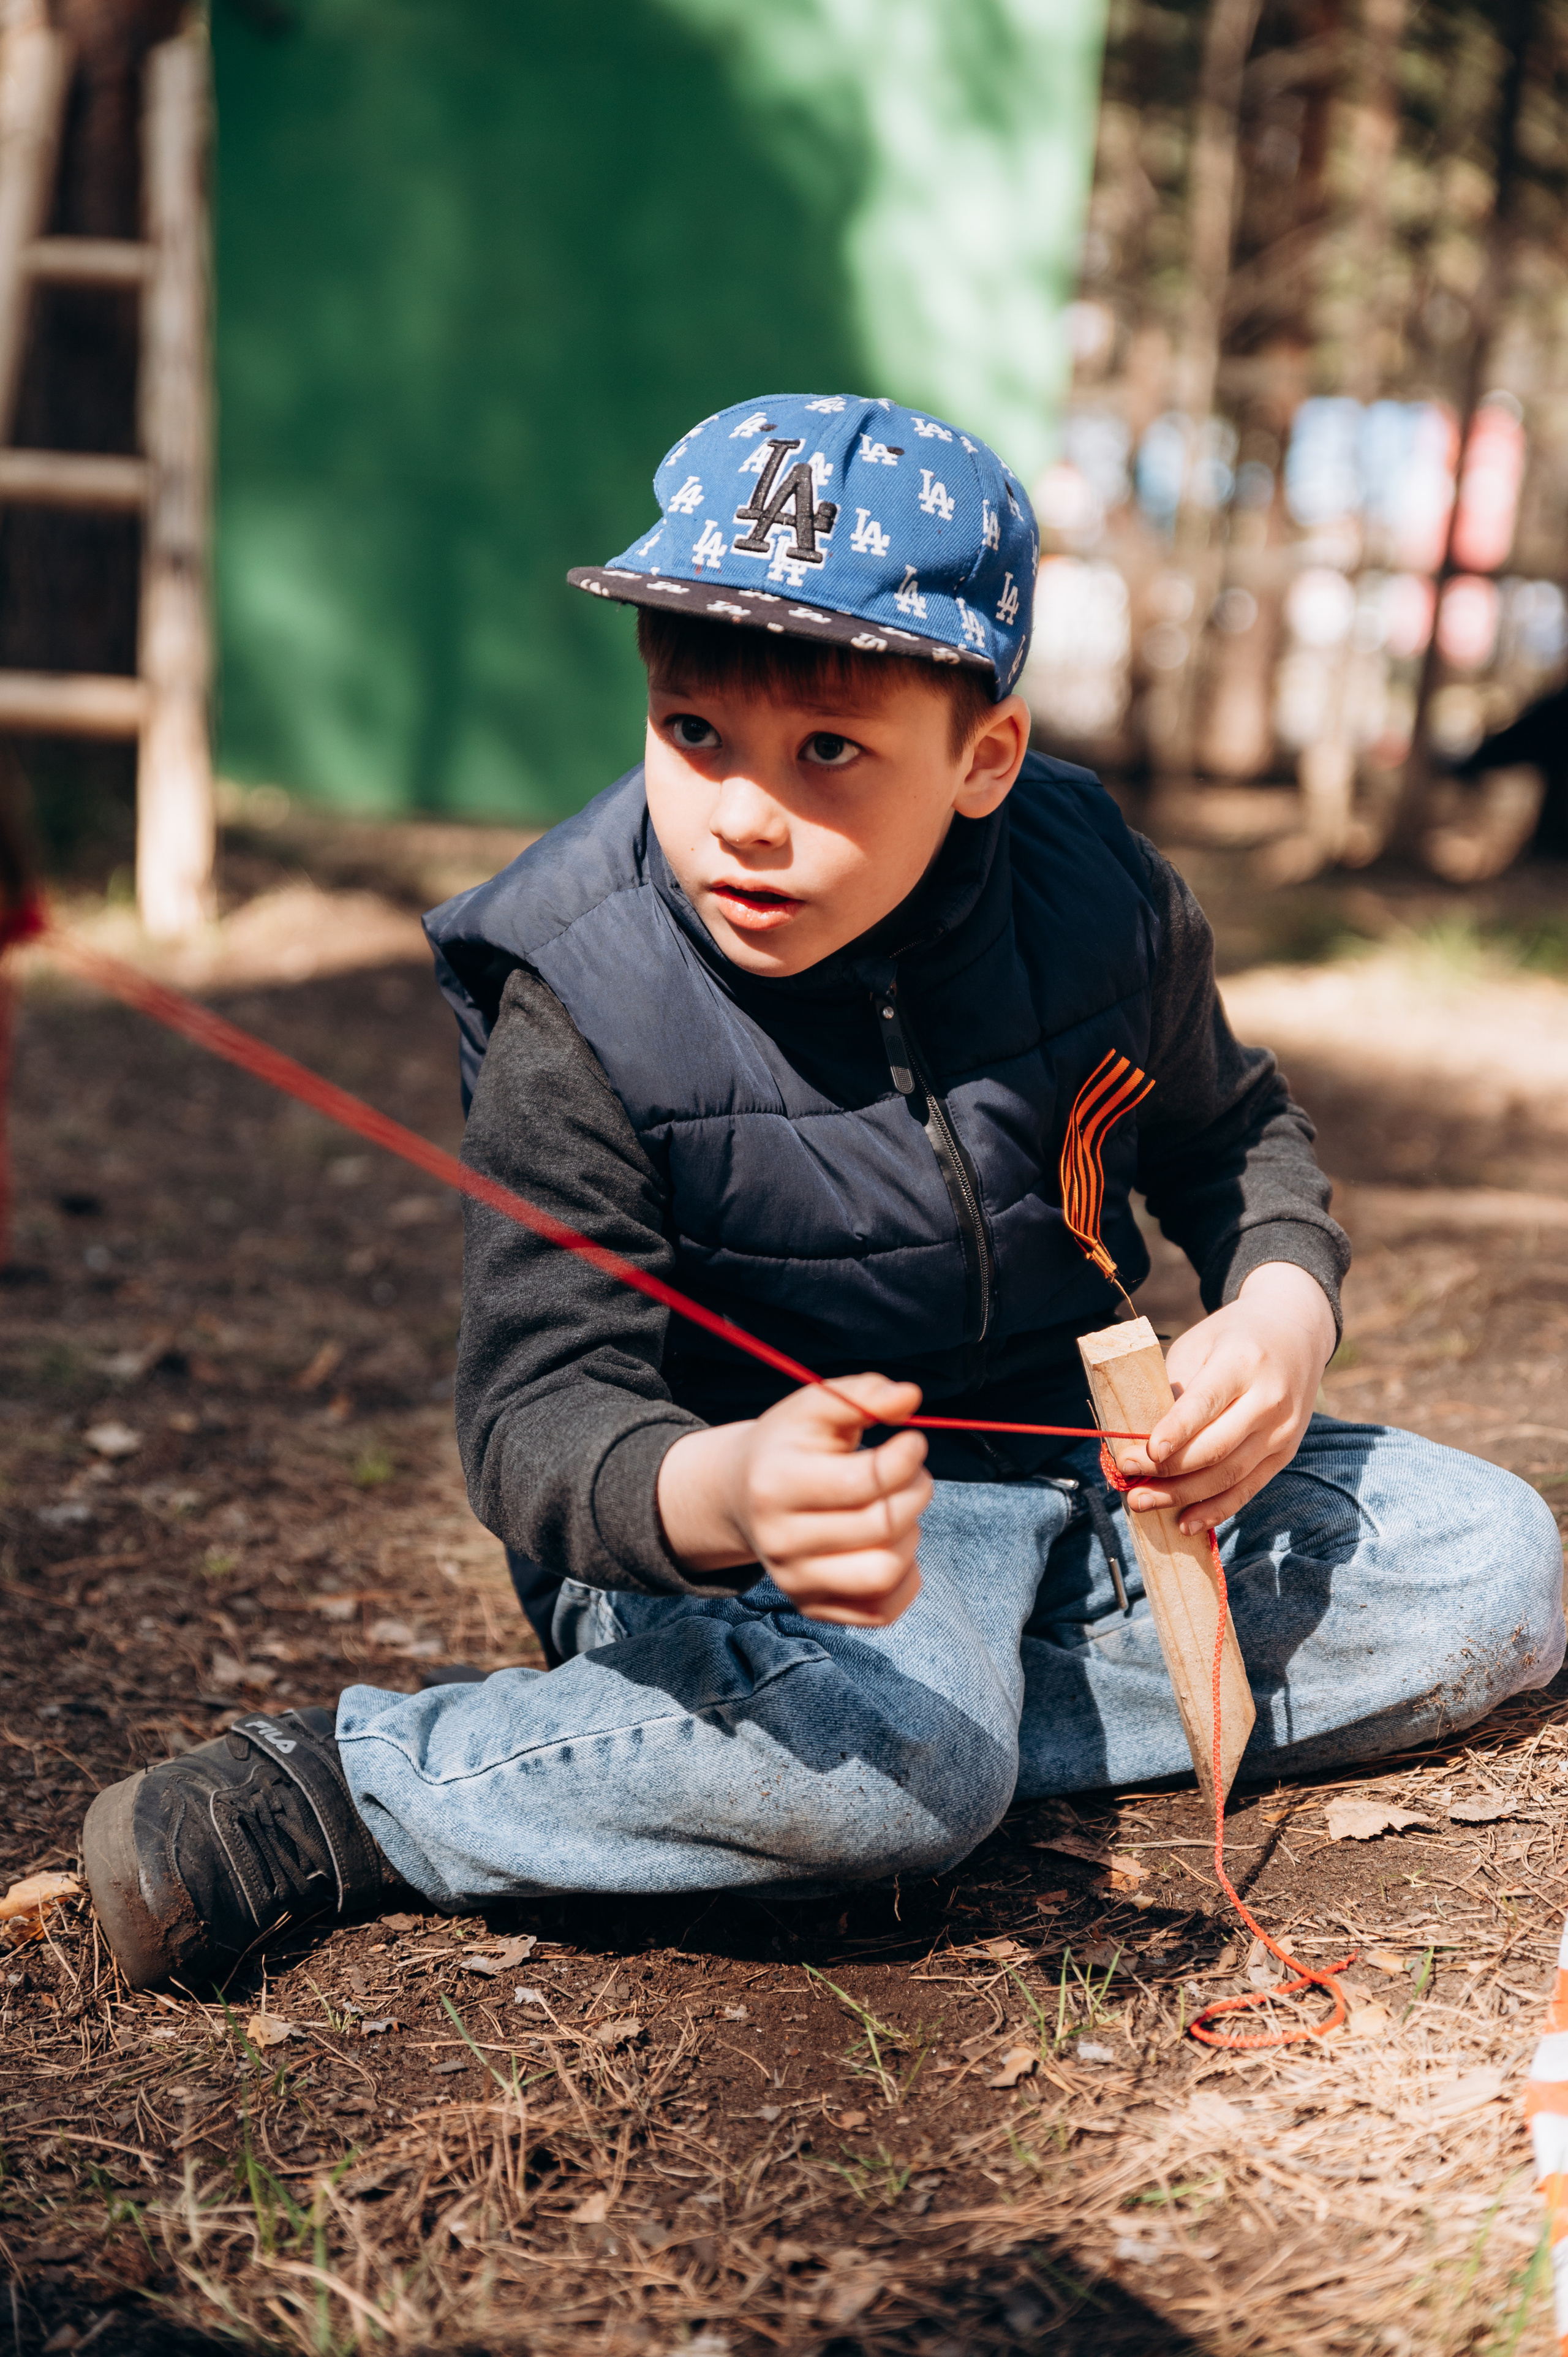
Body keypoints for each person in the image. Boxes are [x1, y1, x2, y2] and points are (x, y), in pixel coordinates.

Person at [83, 394, 1565, 1991]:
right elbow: (536, 1420)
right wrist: (730, 1492)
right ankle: (354, 1793)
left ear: (984, 757)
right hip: (738, 1541)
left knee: (1490, 1569)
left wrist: (1280, 1314)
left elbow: (1233, 1136)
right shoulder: (578, 986)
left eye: (830, 754)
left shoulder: (1094, 897)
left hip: (1065, 1490)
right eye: (695, 733)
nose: (742, 814)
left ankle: (902, 1743)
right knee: (881, 1749)